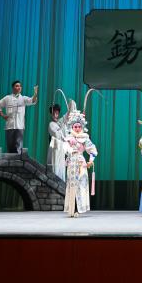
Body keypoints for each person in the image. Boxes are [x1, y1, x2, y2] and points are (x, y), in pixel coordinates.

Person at [56, 89, 99, 218]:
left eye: (79, 126)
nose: (77, 128)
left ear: (82, 127)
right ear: (72, 127)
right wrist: (69, 146)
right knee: (71, 185)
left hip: (80, 163)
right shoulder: (68, 138)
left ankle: (78, 209)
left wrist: (90, 160)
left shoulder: (85, 138)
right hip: (71, 163)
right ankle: (71, 209)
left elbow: (93, 150)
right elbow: (64, 149)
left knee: (80, 184)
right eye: (75, 127)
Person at [0, 80, 38, 155]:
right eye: (17, 86)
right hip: (9, 126)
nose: (19, 87)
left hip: (19, 127)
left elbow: (32, 100)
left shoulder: (23, 99)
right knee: (10, 148)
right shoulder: (7, 98)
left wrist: (35, 94)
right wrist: (3, 115)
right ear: (13, 88)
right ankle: (10, 162)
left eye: (20, 86)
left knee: (19, 148)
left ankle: (18, 162)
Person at [46, 103, 66, 180]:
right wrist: (61, 128)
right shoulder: (51, 124)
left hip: (61, 147)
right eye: (54, 113)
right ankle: (54, 180)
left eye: (57, 114)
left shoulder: (59, 123)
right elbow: (57, 135)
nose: (55, 115)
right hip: (54, 146)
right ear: (51, 114)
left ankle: (61, 181)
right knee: (55, 163)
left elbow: (65, 118)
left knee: (61, 164)